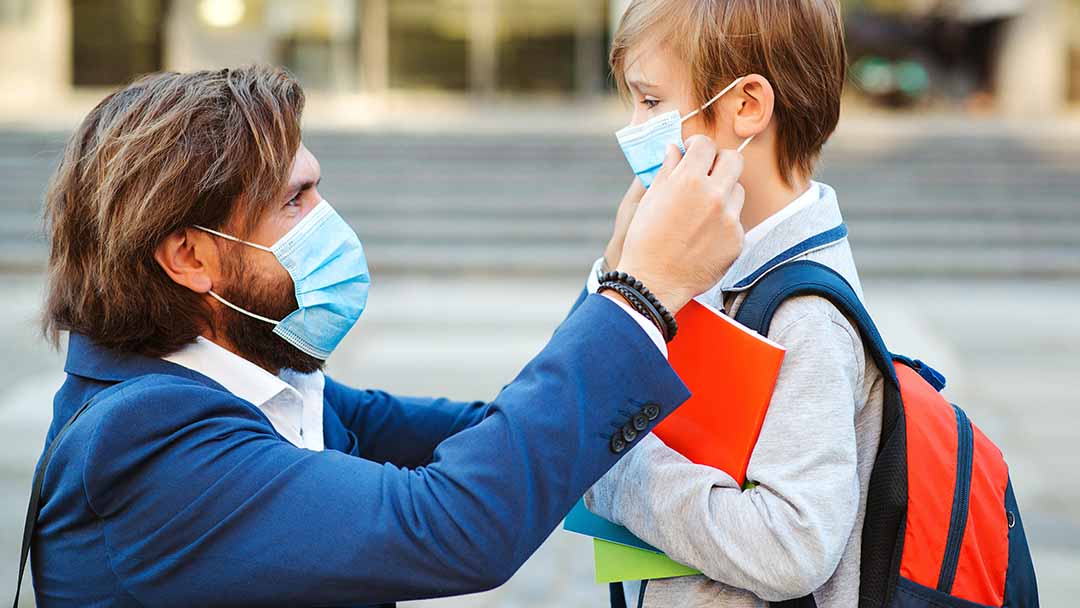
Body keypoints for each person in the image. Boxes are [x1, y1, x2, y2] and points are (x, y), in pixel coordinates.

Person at [24, 65, 748, 607]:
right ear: (189, 256)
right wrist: (638, 298)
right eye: (293, 201)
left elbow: (500, 439)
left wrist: (620, 271)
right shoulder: (149, 443)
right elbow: (458, 522)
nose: (329, 220)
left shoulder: (252, 378)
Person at [582, 1, 886, 607]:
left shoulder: (805, 316)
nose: (632, 125)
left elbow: (794, 544)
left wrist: (609, 467)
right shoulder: (705, 261)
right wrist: (620, 271)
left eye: (649, 101)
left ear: (746, 106)